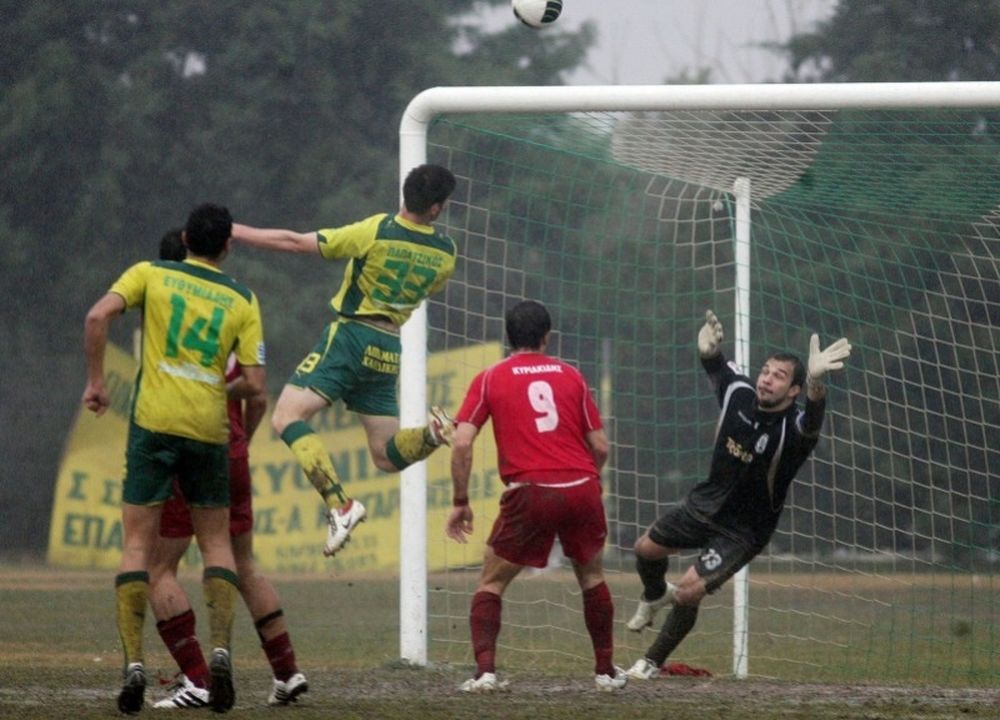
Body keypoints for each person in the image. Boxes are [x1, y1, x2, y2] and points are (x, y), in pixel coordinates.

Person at [83, 204, 265, 714]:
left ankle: (134, 665)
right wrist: (213, 384)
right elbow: (254, 384)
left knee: (138, 545)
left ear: (185, 237)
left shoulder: (150, 274)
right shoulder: (242, 297)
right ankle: (222, 652)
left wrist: (97, 383)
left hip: (153, 425)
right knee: (216, 546)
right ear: (228, 247)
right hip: (208, 429)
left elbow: (97, 316)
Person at [230, 163, 459, 558]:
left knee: (287, 417)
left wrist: (234, 231)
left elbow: (295, 243)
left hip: (352, 335)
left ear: (405, 195)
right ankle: (433, 435)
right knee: (387, 455)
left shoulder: (378, 230)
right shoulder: (446, 253)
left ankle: (340, 504)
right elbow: (429, 288)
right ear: (437, 209)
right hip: (389, 349)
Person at [624, 309, 851, 680]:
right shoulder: (739, 393)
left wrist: (816, 384)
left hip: (743, 530)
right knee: (644, 549)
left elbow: (811, 420)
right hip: (704, 504)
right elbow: (717, 368)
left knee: (687, 592)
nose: (766, 380)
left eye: (779, 377)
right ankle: (652, 596)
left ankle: (649, 663)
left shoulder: (793, 431)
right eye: (765, 371)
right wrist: (708, 350)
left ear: (793, 390)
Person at [147, 229, 308, 709]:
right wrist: (244, 441)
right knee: (244, 563)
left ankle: (198, 678)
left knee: (159, 568)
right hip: (230, 451)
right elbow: (258, 393)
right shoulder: (233, 306)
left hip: (183, 450)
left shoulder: (166, 311)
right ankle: (288, 673)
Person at [445, 300, 628, 693]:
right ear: (548, 337)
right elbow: (600, 445)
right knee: (592, 577)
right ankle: (605, 672)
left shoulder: (490, 378)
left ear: (508, 336)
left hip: (530, 491)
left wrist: (461, 501)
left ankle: (486, 674)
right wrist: (588, 481)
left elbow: (462, 444)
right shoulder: (572, 376)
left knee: (491, 582)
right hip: (581, 487)